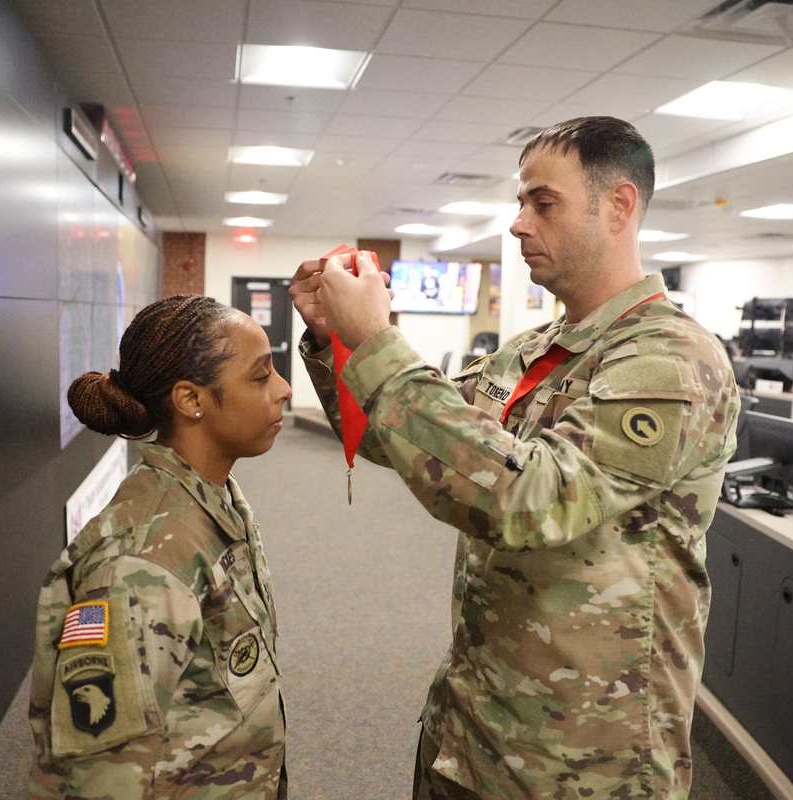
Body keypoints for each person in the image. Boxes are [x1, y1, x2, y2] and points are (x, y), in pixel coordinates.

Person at [289, 116, 740, 799]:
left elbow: (528, 500)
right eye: (521, 202)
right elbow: (411, 440)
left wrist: (378, 339)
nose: (519, 223)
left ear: (618, 206)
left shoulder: (669, 358)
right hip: (480, 723)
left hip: (582, 760)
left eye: (543, 202)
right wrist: (336, 341)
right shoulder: (534, 351)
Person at [28, 295, 292, 799]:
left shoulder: (212, 499)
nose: (282, 390)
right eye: (260, 377)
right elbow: (98, 780)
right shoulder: (140, 565)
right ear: (191, 399)